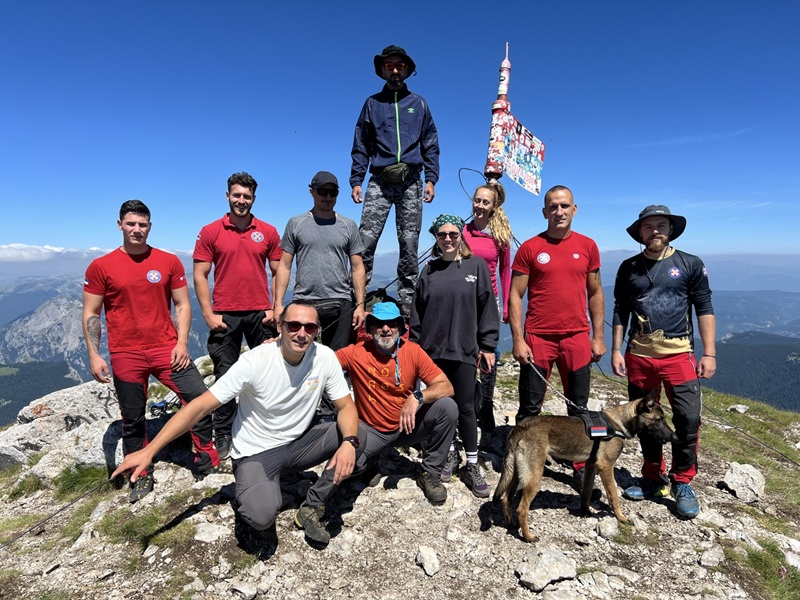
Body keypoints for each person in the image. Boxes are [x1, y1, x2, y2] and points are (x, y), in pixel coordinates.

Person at [112, 300, 367, 538]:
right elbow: (200, 406)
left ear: (317, 331)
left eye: (309, 327)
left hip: (298, 445)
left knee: (359, 434)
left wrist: (349, 443)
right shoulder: (255, 361)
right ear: (280, 326)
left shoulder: (323, 358)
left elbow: (345, 407)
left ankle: (313, 503)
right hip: (256, 452)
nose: (302, 333)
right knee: (262, 516)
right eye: (294, 325)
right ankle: (255, 484)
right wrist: (150, 451)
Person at [83, 200, 219, 503]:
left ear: (150, 226)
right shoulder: (101, 266)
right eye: (131, 224)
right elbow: (91, 313)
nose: (137, 230)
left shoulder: (167, 261)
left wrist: (182, 343)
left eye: (142, 224)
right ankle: (140, 473)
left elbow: (183, 304)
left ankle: (207, 455)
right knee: (132, 417)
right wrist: (94, 354)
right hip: (125, 353)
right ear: (120, 225)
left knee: (198, 397)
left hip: (167, 348)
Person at [294, 302, 458, 545]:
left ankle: (430, 472)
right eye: (378, 324)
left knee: (447, 408)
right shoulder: (356, 352)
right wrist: (281, 347)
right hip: (370, 431)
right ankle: (311, 507)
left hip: (406, 427)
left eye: (392, 324)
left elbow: (446, 386)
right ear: (369, 328)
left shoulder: (412, 352)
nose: (385, 329)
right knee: (351, 451)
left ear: (400, 328)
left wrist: (418, 397)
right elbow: (320, 360)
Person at [612, 205, 716, 520]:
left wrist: (709, 353)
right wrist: (616, 350)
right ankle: (652, 477)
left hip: (679, 354)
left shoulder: (690, 264)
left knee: (688, 418)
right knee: (646, 420)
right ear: (639, 233)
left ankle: (682, 481)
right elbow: (620, 310)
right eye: (648, 227)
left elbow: (704, 306)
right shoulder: (628, 267)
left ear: (670, 229)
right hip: (639, 356)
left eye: (661, 225)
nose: (655, 231)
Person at [193, 171, 283, 460]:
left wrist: (276, 306)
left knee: (269, 372)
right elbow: (200, 274)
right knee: (225, 377)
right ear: (227, 195)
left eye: (247, 196)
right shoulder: (210, 231)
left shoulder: (267, 231)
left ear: (254, 198)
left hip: (261, 313)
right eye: (237, 195)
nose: (241, 200)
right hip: (224, 314)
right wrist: (207, 314)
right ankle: (223, 433)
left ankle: (268, 427)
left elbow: (278, 271)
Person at [410, 215, 499, 498]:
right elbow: (417, 313)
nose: (447, 239)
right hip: (432, 352)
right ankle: (448, 453)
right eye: (441, 235)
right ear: (435, 237)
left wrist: (488, 345)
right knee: (442, 407)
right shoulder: (429, 270)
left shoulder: (476, 267)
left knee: (465, 407)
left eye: (453, 234)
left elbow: (487, 308)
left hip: (464, 349)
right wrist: (414, 346)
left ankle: (472, 463)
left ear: (461, 236)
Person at [350, 44, 440, 319]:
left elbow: (430, 144)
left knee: (409, 246)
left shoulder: (419, 104)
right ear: (382, 70)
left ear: (407, 70)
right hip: (379, 180)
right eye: (389, 66)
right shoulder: (372, 104)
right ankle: (358, 306)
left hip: (411, 181)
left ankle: (407, 310)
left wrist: (431, 179)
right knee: (365, 243)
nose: (395, 70)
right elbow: (361, 144)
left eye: (400, 65)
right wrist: (357, 180)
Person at [508, 185, 606, 429]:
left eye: (564, 206)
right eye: (553, 207)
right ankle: (521, 458)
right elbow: (515, 295)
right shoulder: (530, 248)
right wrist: (518, 339)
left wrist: (598, 337)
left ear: (574, 209)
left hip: (576, 337)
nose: (559, 211)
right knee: (530, 405)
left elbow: (595, 291)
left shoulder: (588, 246)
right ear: (544, 212)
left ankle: (580, 463)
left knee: (579, 405)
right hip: (539, 337)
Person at [273, 171, 367, 420]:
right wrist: (278, 305)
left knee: (337, 363)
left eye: (332, 192)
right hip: (305, 302)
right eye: (322, 191)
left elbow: (358, 266)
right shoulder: (297, 223)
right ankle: (298, 412)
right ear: (311, 191)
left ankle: (329, 414)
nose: (327, 197)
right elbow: (284, 265)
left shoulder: (348, 225)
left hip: (341, 301)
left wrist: (360, 305)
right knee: (300, 359)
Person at [462, 180, 512, 447]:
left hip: (488, 300)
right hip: (464, 300)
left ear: (494, 207)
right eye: (477, 200)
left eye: (485, 202)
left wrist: (503, 305)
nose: (479, 205)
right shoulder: (463, 230)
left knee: (487, 352)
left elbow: (505, 270)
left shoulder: (499, 234)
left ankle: (488, 404)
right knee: (466, 352)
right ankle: (469, 403)